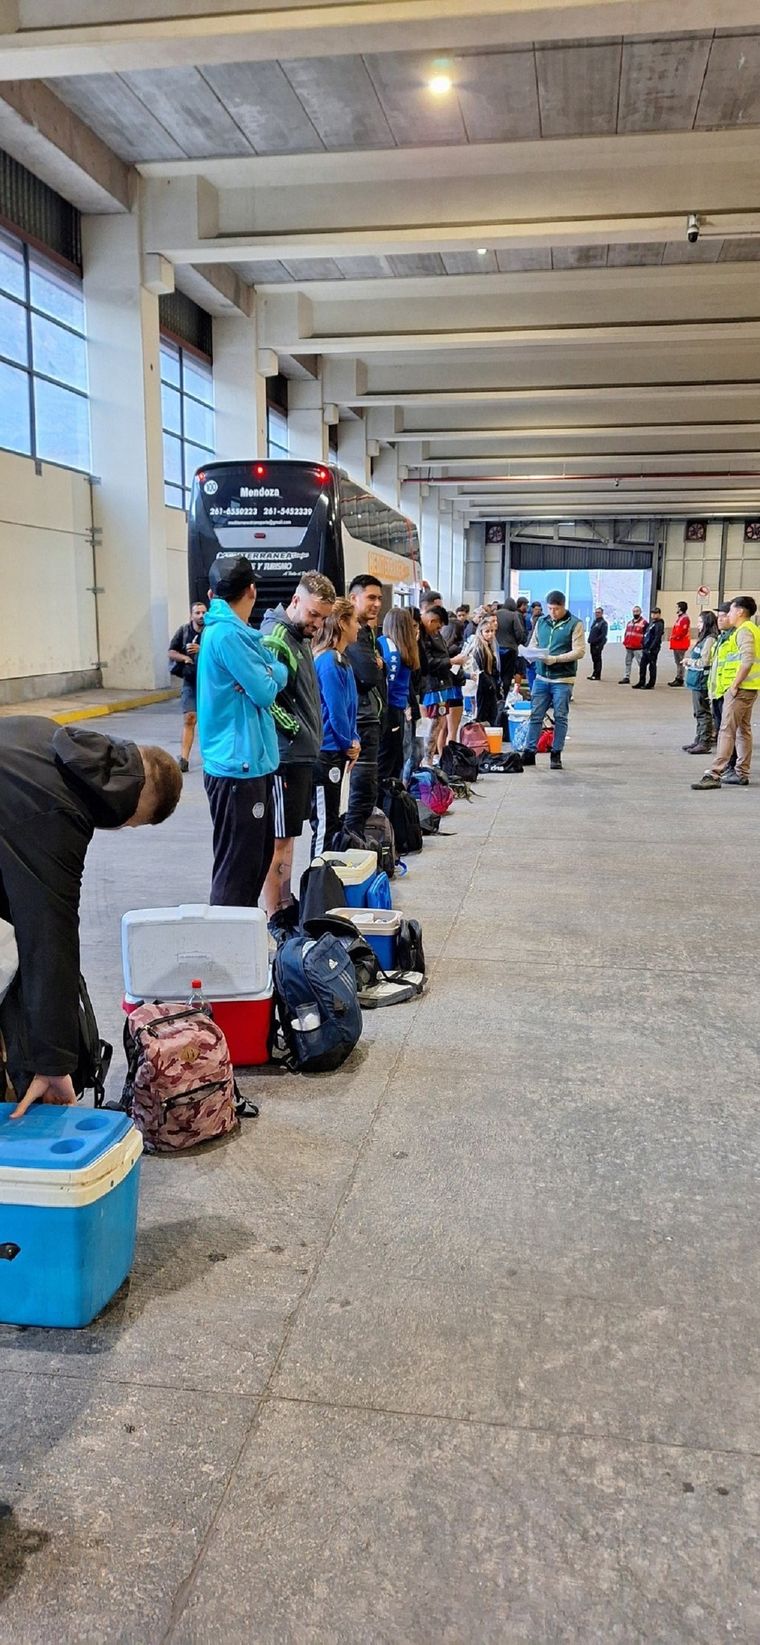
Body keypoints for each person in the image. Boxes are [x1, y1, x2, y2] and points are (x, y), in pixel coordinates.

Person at [0, 716, 181, 1116]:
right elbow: (51, 936)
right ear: (133, 806)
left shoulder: (49, 735)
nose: (120, 827)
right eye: (131, 822)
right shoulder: (60, 815)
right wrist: (54, 1064)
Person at [196, 554, 288, 907]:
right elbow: (266, 692)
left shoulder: (240, 633)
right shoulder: (228, 635)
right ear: (252, 590)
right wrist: (267, 675)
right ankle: (225, 937)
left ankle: (238, 933)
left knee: (254, 862)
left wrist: (268, 672)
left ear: (211, 594)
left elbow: (277, 671)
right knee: (237, 871)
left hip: (249, 765)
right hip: (237, 769)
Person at [260, 572, 336, 917]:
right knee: (278, 840)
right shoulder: (277, 637)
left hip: (299, 755)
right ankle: (275, 914)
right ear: (295, 601)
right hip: (285, 757)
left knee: (289, 837)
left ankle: (286, 903)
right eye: (313, 614)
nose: (317, 624)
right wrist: (294, 730)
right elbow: (265, 697)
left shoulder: (300, 636)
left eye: (323, 618)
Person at [692, 595, 760, 790]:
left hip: (741, 688)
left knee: (726, 730)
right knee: (743, 730)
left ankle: (715, 773)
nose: (728, 614)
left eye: (731, 610)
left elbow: (747, 660)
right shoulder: (751, 629)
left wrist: (734, 685)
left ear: (740, 611)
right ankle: (741, 772)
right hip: (749, 687)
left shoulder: (744, 631)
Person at [311, 598, 360, 856]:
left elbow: (349, 708)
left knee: (332, 820)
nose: (358, 627)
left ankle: (327, 872)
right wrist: (347, 742)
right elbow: (335, 709)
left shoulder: (342, 661)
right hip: (327, 751)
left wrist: (354, 739)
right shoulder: (328, 661)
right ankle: (318, 876)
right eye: (355, 621)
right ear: (342, 622)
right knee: (325, 824)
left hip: (337, 749)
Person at [521, 590, 586, 771]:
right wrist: (531, 654)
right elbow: (533, 643)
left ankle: (556, 753)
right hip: (541, 677)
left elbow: (579, 651)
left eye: (556, 609)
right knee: (536, 715)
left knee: (560, 716)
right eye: (550, 608)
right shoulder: (541, 622)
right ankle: (529, 751)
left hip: (563, 679)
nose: (552, 612)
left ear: (563, 606)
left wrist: (556, 659)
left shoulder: (575, 624)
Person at [344, 574, 386, 833]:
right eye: (371, 597)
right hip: (360, 721)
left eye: (380, 598)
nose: (377, 604)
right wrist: (377, 665)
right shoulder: (355, 633)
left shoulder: (366, 632)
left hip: (369, 718)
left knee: (367, 792)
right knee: (360, 794)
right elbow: (369, 674)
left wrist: (379, 665)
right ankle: (351, 842)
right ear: (353, 598)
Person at [377, 607, 420, 783]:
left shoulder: (390, 647)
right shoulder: (396, 650)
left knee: (392, 761)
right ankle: (387, 796)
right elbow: (390, 683)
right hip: (394, 709)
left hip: (393, 709)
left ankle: (388, 796)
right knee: (392, 762)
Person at [168, 601, 207, 771]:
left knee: (209, 721)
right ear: (191, 615)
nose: (201, 616)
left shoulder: (211, 631)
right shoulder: (184, 631)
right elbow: (171, 651)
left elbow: (220, 652)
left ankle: (211, 758)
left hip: (209, 682)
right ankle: (184, 759)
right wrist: (184, 658)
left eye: (203, 612)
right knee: (189, 717)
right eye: (197, 613)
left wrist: (201, 649)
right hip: (190, 681)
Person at [418, 602, 455, 762]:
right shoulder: (422, 636)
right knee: (432, 726)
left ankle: (429, 760)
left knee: (438, 724)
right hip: (432, 687)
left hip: (441, 685)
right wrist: (451, 661)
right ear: (432, 621)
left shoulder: (434, 635)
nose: (438, 631)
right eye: (438, 627)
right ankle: (426, 761)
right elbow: (429, 662)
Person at [682, 609, 719, 753]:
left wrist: (689, 661)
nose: (697, 625)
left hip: (701, 680)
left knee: (703, 712)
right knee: (698, 712)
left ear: (707, 623)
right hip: (696, 680)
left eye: (700, 622)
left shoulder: (710, 640)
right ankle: (698, 739)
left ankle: (704, 741)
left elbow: (705, 661)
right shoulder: (703, 639)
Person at [707, 603, 737, 771]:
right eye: (718, 617)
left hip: (729, 691)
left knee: (729, 731)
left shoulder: (735, 638)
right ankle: (728, 763)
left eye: (724, 616)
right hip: (718, 691)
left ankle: (731, 764)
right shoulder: (722, 638)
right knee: (721, 728)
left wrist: (732, 688)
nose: (720, 620)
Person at [458, 613, 500, 724]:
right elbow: (480, 669)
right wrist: (490, 684)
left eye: (492, 631)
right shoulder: (479, 648)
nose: (490, 634)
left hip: (488, 684)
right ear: (481, 632)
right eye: (487, 631)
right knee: (484, 715)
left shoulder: (489, 646)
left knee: (489, 715)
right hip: (483, 685)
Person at [494, 598, 526, 695]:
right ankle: (505, 694)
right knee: (507, 674)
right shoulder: (513, 615)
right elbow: (519, 633)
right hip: (510, 648)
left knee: (496, 672)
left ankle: (496, 694)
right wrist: (518, 642)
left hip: (495, 648)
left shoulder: (495, 614)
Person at [634, 607, 665, 690]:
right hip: (646, 647)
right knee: (642, 665)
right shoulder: (652, 623)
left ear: (659, 614)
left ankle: (651, 683)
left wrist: (651, 648)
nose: (654, 615)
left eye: (656, 613)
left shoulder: (659, 624)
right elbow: (646, 634)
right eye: (653, 613)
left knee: (652, 666)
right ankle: (641, 681)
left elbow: (657, 637)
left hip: (652, 649)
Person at [619, 605, 647, 684]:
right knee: (627, 663)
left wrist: (643, 644)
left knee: (641, 664)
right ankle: (626, 677)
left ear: (640, 612)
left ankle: (642, 679)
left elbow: (646, 635)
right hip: (629, 647)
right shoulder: (629, 623)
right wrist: (625, 642)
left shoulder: (644, 623)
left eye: (637, 611)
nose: (635, 613)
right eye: (634, 611)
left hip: (638, 648)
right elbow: (626, 633)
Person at [668, 601, 691, 685]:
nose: (676, 609)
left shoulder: (684, 618)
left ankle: (680, 678)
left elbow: (682, 631)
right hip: (677, 643)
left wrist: (674, 637)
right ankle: (678, 677)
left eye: (677, 607)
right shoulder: (681, 618)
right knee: (678, 662)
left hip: (680, 643)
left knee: (680, 662)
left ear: (680, 608)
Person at [587, 607, 608, 680]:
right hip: (592, 643)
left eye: (598, 612)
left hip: (598, 644)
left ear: (602, 613)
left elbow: (603, 635)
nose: (597, 614)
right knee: (594, 659)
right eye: (596, 612)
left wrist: (598, 642)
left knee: (597, 659)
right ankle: (594, 673)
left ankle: (597, 675)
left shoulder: (603, 623)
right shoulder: (595, 621)